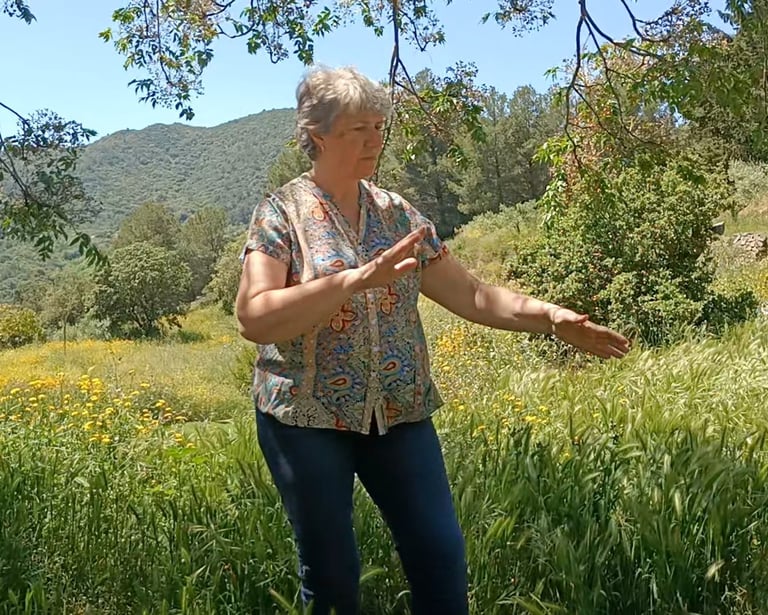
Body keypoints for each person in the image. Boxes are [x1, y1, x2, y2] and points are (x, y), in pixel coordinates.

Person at [235, 65, 631, 615]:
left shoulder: (398, 215)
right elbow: (255, 317)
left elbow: (471, 296)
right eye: (357, 129)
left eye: (379, 126)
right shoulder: (281, 214)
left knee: (441, 557)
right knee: (331, 576)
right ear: (318, 135)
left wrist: (552, 318)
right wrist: (354, 280)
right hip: (304, 418)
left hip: (401, 412)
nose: (374, 140)